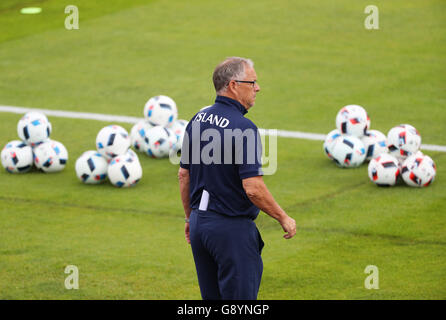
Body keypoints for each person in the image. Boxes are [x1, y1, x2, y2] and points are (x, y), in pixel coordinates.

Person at [178, 57, 296, 300]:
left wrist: (191, 217)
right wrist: (282, 216)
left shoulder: (197, 119)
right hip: (230, 231)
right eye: (252, 82)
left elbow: (183, 175)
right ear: (233, 85)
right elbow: (253, 188)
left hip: (200, 225)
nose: (258, 88)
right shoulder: (244, 128)